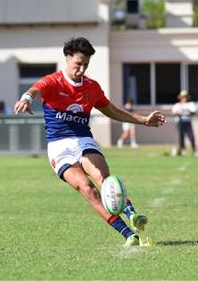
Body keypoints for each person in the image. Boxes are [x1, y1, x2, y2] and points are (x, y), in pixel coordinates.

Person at [13, 37, 166, 247]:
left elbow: (111, 110)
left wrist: (143, 121)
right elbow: (35, 90)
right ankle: (128, 235)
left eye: (86, 65)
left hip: (83, 140)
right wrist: (26, 99)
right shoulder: (52, 81)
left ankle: (132, 214)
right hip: (58, 147)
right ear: (67, 59)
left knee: (102, 179)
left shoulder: (92, 87)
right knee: (87, 189)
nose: (82, 69)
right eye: (78, 64)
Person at [171, 91, 198, 156]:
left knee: (191, 136)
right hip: (180, 122)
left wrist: (188, 112)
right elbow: (173, 112)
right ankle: (183, 150)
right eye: (183, 97)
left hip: (187, 121)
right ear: (181, 97)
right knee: (181, 137)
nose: (184, 98)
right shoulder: (177, 105)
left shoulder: (190, 104)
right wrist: (178, 113)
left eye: (185, 96)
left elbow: (194, 112)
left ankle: (194, 150)